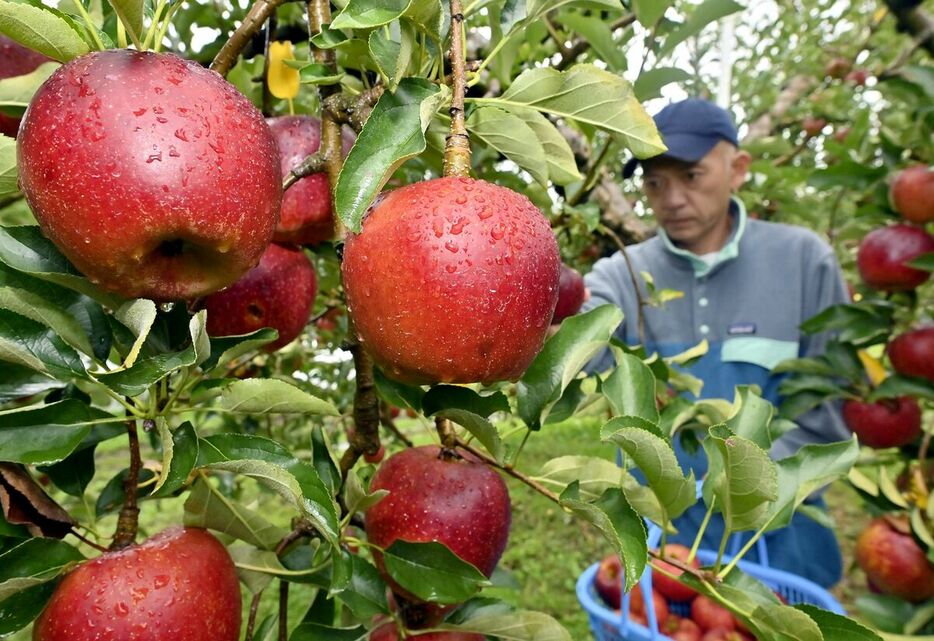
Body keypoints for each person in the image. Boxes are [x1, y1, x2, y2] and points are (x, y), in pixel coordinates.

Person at [582, 97, 852, 588]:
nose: (672, 198)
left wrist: (749, 491)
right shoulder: (623, 275)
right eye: (655, 182)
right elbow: (576, 338)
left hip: (781, 534)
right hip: (664, 542)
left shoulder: (803, 261)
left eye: (690, 176)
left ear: (739, 168)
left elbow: (829, 405)